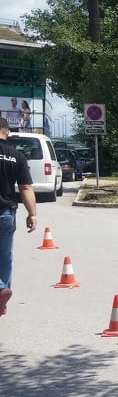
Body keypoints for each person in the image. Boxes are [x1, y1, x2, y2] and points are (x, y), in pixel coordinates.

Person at [0, 117, 38, 316]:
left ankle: (0, 291)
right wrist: (32, 214)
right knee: (5, 257)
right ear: (7, 133)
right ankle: (1, 296)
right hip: (6, 213)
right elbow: (25, 187)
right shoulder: (17, 156)